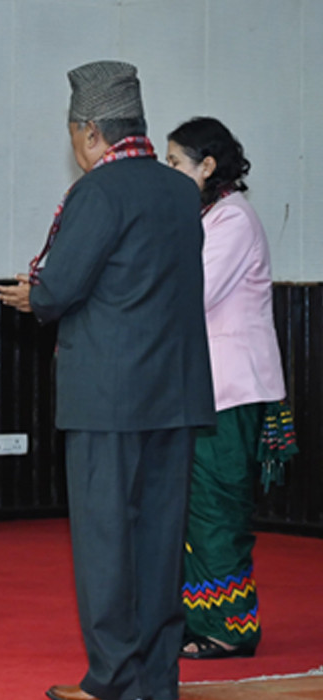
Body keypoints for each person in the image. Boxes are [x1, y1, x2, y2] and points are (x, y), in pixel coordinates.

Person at [0, 62, 214, 700]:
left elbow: (60, 285)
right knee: (160, 542)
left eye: (73, 135)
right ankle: (157, 680)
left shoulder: (97, 191)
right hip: (175, 392)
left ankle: (113, 680)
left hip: (108, 397)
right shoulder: (182, 191)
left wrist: (33, 295)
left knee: (106, 541)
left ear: (91, 131)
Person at [166, 117, 286, 660]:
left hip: (231, 388)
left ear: (207, 166)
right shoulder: (206, 216)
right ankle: (196, 618)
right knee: (194, 508)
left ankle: (230, 628)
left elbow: (195, 292)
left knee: (216, 509)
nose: (169, 172)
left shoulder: (234, 218)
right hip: (202, 387)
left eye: (175, 163)